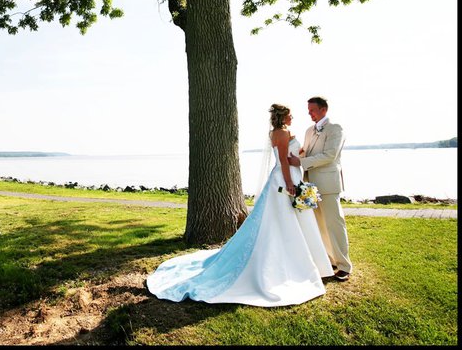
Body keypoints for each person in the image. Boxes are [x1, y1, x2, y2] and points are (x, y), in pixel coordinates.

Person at [146, 104, 334, 307]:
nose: (293, 117)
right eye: (290, 115)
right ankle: (290, 263)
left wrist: (301, 156)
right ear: (283, 117)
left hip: (293, 176)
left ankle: (309, 261)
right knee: (280, 220)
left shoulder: (283, 132)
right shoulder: (281, 132)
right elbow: (282, 160)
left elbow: (293, 154)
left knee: (296, 218)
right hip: (284, 179)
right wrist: (289, 183)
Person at [288, 96, 352, 281]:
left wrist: (301, 162)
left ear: (324, 109)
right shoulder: (309, 131)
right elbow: (306, 151)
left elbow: (329, 155)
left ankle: (344, 265)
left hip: (329, 184)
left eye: (313, 111)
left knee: (335, 224)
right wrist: (290, 149)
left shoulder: (335, 129)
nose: (310, 114)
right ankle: (330, 260)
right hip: (311, 186)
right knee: (320, 225)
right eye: (309, 111)